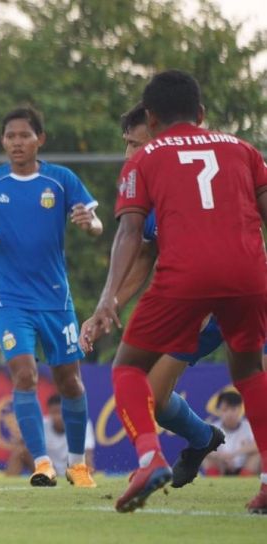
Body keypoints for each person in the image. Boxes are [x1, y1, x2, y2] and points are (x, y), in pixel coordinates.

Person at [80, 70, 267, 514]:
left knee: (127, 368)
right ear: (200, 114)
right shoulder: (242, 149)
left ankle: (149, 459)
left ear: (152, 118)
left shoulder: (146, 161)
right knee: (248, 370)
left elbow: (127, 234)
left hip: (188, 283)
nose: (131, 148)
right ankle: (222, 453)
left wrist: (107, 298)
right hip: (248, 276)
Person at [0, 107, 103, 488]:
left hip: (57, 301)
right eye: (10, 136)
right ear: (2, 141)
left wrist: (90, 225)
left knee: (69, 381)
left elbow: (98, 223)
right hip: (10, 301)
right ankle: (42, 464)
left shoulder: (60, 180)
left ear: (40, 139)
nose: (17, 143)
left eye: (24, 135)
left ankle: (77, 465)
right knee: (24, 373)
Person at [108, 102, 227, 488]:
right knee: (153, 400)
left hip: (235, 297)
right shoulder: (148, 188)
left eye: (136, 144)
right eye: (126, 144)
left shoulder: (198, 181)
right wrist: (110, 303)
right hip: (188, 306)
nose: (130, 154)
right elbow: (143, 253)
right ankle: (202, 439)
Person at [204, 391, 261, 477]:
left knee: (257, 455)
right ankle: (213, 483)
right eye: (225, 410)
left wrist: (234, 454)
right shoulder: (212, 428)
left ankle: (244, 482)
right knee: (204, 455)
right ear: (219, 411)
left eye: (233, 409)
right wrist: (220, 456)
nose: (229, 414)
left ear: (240, 410)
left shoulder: (249, 426)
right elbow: (200, 447)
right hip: (221, 467)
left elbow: (259, 445)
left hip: (244, 467)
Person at [43, 394, 95, 477]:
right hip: (49, 472)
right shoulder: (42, 425)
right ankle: (14, 484)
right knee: (21, 450)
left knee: (86, 454)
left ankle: (86, 481)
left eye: (61, 412)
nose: (59, 417)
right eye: (54, 412)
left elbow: (88, 452)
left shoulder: (83, 424)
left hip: (75, 470)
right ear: (49, 412)